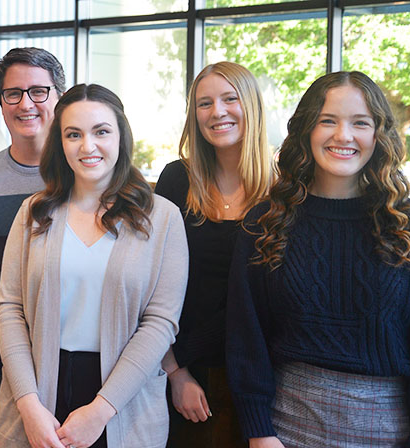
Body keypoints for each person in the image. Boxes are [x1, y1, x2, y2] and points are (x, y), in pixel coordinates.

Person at [226, 71, 410, 447]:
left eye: (360, 123)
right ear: (307, 129)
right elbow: (246, 334)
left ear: (379, 134)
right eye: (328, 121)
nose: (343, 136)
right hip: (285, 429)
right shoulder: (266, 223)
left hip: (391, 433)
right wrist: (259, 431)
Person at [0, 84, 189, 448]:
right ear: (60, 142)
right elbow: (9, 310)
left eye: (101, 131)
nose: (87, 146)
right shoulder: (34, 212)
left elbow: (160, 323)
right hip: (38, 392)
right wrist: (29, 405)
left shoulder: (163, 218)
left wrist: (100, 410)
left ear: (121, 137)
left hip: (123, 401)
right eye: (73, 134)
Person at [154, 61, 273, 447]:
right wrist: (175, 372)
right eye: (204, 103)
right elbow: (153, 284)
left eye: (229, 99)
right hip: (184, 373)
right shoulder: (176, 180)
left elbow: (271, 302)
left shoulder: (285, 191)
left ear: (251, 106)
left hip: (262, 378)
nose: (217, 112)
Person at [0, 47, 66, 448]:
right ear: (1, 102)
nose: (26, 104)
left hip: (60, 364)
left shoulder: (83, 179)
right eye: (13, 93)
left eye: (39, 92)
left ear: (60, 96)